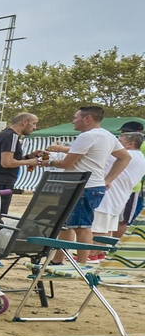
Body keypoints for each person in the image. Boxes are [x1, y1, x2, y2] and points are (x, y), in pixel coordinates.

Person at [44, 106, 130, 263]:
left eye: (75, 117)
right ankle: (58, 259)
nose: (73, 121)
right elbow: (124, 157)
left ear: (87, 118)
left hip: (82, 186)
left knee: (81, 227)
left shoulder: (87, 136)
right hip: (88, 185)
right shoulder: (107, 135)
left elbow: (66, 163)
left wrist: (46, 161)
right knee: (65, 225)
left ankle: (82, 263)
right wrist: (108, 179)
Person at [0, 111, 43, 216]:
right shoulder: (12, 137)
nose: (35, 127)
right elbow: (7, 163)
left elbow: (5, 160)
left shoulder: (3, 134)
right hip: (0, 182)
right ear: (24, 122)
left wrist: (28, 156)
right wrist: (30, 161)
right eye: (34, 123)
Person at [95, 131, 145, 239]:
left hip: (108, 197)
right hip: (120, 197)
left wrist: (62, 150)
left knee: (98, 228)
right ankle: (99, 253)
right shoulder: (140, 156)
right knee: (108, 228)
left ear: (130, 144)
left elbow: (96, 154)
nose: (116, 145)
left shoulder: (127, 155)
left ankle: (93, 252)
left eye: (119, 142)